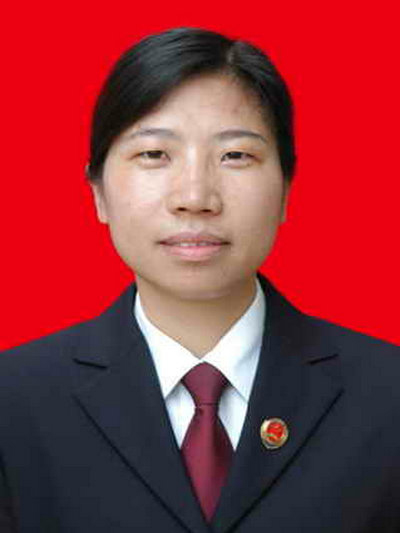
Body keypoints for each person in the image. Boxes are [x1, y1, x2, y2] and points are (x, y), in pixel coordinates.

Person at [1, 27, 399, 533]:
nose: (195, 197)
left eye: (235, 156)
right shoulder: (13, 400)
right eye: (154, 154)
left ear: (285, 189)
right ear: (98, 191)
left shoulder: (388, 395)